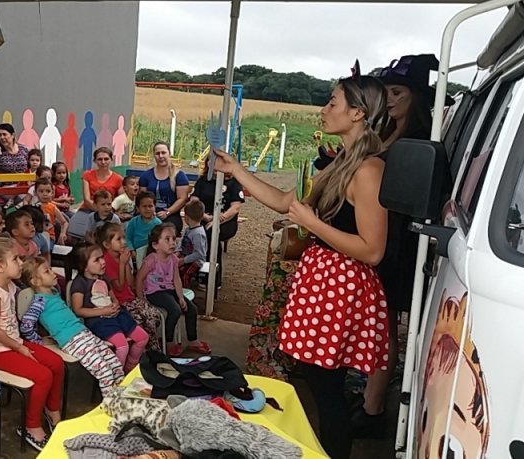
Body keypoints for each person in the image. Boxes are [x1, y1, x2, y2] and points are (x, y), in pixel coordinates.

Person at [211, 73, 390, 459]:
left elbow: (373, 250)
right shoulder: (344, 161)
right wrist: (239, 170)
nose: (324, 110)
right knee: (320, 383)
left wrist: (312, 225)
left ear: (357, 112)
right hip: (327, 282)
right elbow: (285, 202)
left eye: (332, 102)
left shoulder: (368, 170)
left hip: (341, 286)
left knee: (326, 388)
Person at [354, 54, 444, 438]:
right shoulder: (389, 130)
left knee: (385, 325)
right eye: (386, 92)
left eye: (397, 92)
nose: (389, 99)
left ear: (417, 96)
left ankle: (373, 408)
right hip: (387, 235)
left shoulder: (420, 139)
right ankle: (371, 394)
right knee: (382, 323)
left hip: (400, 243)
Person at [0, 239, 63, 450]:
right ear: (0, 267)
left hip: (15, 344)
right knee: (43, 376)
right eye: (16, 259)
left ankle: (52, 411)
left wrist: (21, 344)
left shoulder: (9, 285)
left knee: (56, 363)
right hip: (0, 352)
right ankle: (31, 426)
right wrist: (19, 347)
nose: (21, 263)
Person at [19, 256, 124, 395]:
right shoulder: (39, 301)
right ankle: (111, 404)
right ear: (35, 281)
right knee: (104, 372)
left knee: (115, 364)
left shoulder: (54, 293)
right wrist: (38, 340)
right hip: (72, 341)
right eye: (47, 271)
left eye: (50, 269)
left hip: (84, 334)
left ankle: (123, 397)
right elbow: (26, 326)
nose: (53, 273)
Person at [70, 244, 148, 372]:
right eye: (97, 260)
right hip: (99, 321)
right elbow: (78, 310)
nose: (102, 262)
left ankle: (130, 367)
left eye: (102, 257)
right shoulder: (79, 283)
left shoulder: (104, 278)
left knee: (143, 337)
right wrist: (103, 311)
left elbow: (113, 298)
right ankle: (116, 376)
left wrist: (115, 303)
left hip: (117, 316)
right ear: (83, 266)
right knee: (122, 346)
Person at [137, 224, 209, 357]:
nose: (172, 243)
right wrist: (141, 299)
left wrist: (181, 297)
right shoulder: (151, 260)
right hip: (154, 292)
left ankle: (192, 340)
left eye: (174, 239)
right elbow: (139, 279)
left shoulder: (173, 259)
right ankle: (168, 341)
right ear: (155, 245)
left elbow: (176, 279)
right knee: (175, 310)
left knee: (191, 308)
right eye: (167, 239)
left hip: (169, 290)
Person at [94, 223, 162, 351]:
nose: (123, 242)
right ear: (107, 244)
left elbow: (130, 283)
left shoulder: (122, 257)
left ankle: (150, 348)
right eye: (118, 239)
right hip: (120, 303)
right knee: (141, 323)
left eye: (123, 238)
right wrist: (122, 264)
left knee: (154, 316)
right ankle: (149, 352)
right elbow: (118, 287)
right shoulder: (106, 261)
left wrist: (125, 264)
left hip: (130, 298)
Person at [189, 158, 244, 290]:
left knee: (211, 235)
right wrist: (204, 216)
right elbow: (193, 201)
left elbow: (235, 207)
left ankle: (212, 277)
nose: (215, 166)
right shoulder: (203, 181)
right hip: (204, 217)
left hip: (226, 221)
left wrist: (218, 219)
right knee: (198, 234)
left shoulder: (233, 183)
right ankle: (198, 271)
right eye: (212, 162)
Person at [140, 142, 190, 232]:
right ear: (154, 156)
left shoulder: (179, 176)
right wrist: (149, 212)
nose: (160, 156)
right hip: (148, 214)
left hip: (171, 215)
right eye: (157, 153)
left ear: (169, 154)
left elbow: (182, 199)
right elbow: (142, 198)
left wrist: (167, 212)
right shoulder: (145, 176)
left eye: (163, 153)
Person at [80, 147, 123, 211]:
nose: (103, 162)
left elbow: (120, 201)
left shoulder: (119, 179)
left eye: (106, 159)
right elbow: (87, 200)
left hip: (108, 211)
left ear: (111, 159)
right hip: (88, 210)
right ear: (95, 161)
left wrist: (106, 212)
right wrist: (100, 211)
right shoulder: (87, 175)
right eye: (100, 159)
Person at [178, 200, 208, 287]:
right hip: (186, 256)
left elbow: (199, 253)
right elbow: (182, 242)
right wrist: (177, 252)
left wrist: (184, 260)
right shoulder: (188, 229)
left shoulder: (198, 233)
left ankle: (185, 292)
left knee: (184, 275)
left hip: (196, 261)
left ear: (186, 217)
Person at [34, 178, 68, 246]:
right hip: (35, 237)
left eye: (48, 191)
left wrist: (62, 233)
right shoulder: (33, 207)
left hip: (49, 237)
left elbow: (64, 222)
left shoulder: (52, 207)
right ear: (35, 193)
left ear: (52, 193)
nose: (45, 194)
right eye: (41, 191)